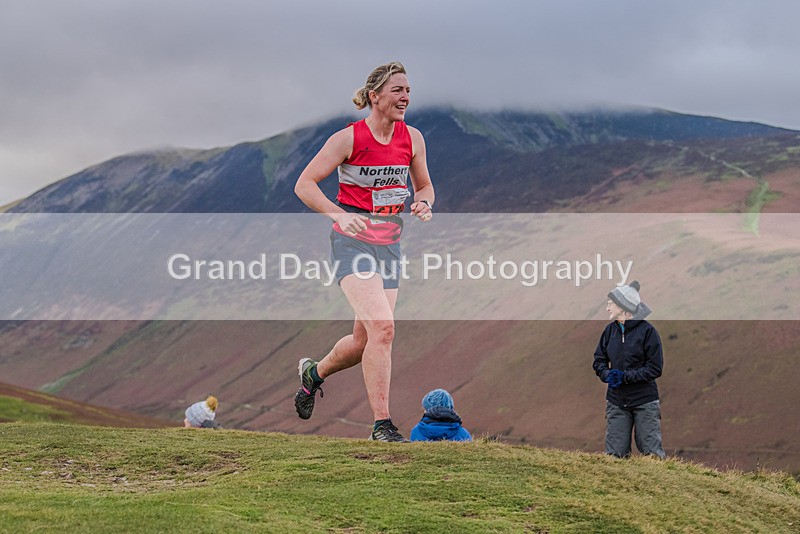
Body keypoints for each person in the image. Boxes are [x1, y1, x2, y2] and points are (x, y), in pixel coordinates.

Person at [293, 61, 434, 442]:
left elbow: (424, 187)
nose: (405, 97)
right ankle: (382, 425)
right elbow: (304, 185)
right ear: (375, 96)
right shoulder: (348, 139)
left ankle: (313, 374)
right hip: (351, 241)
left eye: (408, 91)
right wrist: (339, 215)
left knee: (363, 342)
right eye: (397, 91)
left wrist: (423, 203)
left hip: (389, 243)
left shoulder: (413, 138)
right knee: (384, 329)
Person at [592, 281, 666, 459]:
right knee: (614, 457)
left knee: (652, 456)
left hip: (645, 401)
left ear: (623, 306)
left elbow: (655, 368)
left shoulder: (648, 332)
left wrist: (625, 377)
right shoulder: (609, 331)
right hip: (616, 401)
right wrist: (608, 375)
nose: (608, 308)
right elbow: (599, 361)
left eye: (610, 304)